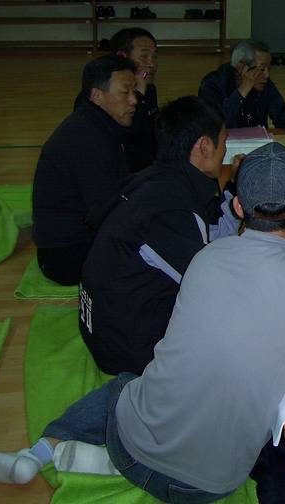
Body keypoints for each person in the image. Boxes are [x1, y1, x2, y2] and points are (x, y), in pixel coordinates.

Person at [0, 143, 285, 504]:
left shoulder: (207, 257)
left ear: (237, 206)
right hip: (211, 485)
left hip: (130, 446)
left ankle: (41, 451)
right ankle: (103, 463)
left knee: (125, 385)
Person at [79, 96, 242, 376]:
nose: (225, 151)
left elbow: (208, 236)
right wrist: (284, 263)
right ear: (204, 146)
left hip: (107, 327)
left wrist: (236, 199)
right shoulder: (169, 210)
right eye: (224, 142)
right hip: (127, 351)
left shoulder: (158, 180)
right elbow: (216, 288)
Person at [33, 55, 136, 285]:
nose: (133, 100)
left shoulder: (97, 124)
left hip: (73, 243)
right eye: (125, 92)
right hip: (66, 257)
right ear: (97, 95)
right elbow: (107, 212)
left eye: (134, 91)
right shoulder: (88, 139)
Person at [198, 39, 285, 128]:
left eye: (269, 69)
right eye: (262, 69)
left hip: (257, 136)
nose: (267, 75)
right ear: (240, 68)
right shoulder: (212, 84)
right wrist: (242, 91)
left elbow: (282, 116)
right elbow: (215, 124)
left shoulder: (264, 83)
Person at [111, 27, 160, 171]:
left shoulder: (149, 89)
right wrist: (139, 95)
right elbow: (127, 139)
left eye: (154, 57)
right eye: (143, 57)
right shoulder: (107, 96)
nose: (152, 64)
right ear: (122, 57)